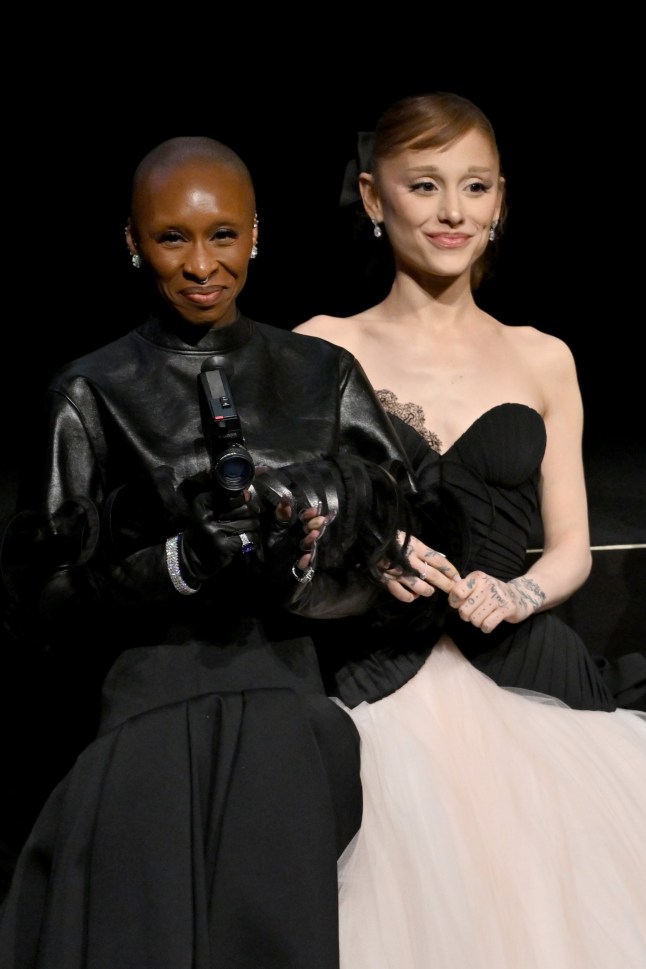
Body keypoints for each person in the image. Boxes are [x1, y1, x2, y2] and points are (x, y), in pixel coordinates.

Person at [0, 134, 431, 969]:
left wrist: (296, 576)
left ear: (257, 233)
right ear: (133, 242)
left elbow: (381, 561)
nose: (203, 264)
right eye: (173, 238)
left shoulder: (321, 374)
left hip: (288, 711)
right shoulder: (91, 391)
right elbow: (43, 599)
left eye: (224, 234)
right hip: (147, 717)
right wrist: (177, 565)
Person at [294, 92, 646, 967]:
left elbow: (570, 545)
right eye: (425, 185)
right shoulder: (319, 351)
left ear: (499, 200)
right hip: (378, 679)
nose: (454, 212)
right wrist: (363, 553)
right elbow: (293, 536)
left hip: (526, 672)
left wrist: (517, 589)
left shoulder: (542, 356)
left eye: (475, 187)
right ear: (375, 200)